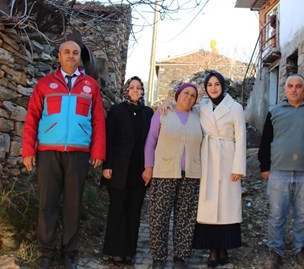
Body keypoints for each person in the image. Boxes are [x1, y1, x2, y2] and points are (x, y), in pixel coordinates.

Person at [22, 40, 106, 269]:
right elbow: (32, 118)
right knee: (47, 204)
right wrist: (28, 149)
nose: (71, 56)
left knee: (73, 205)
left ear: (80, 57)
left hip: (78, 154)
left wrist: (98, 150)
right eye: (67, 52)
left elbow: (98, 121)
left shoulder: (91, 86)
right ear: (59, 56)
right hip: (48, 152)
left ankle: (70, 252)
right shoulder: (45, 84)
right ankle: (46, 252)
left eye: (75, 53)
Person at [258, 74, 304, 269]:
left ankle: (302, 250)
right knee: (276, 215)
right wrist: (265, 167)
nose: (294, 89)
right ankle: (275, 251)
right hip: (278, 172)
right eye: (290, 86)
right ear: (285, 89)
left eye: (298, 86)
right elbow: (265, 141)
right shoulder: (275, 112)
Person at [143, 83, 203, 269]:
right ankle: (159, 258)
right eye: (186, 93)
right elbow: (150, 142)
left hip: (191, 175)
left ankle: (180, 257)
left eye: (193, 95)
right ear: (177, 95)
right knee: (159, 216)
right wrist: (148, 166)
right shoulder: (163, 113)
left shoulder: (199, 116)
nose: (189, 97)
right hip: (163, 173)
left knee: (185, 217)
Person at [192, 71, 246, 268]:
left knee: (227, 205)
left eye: (217, 84)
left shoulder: (235, 107)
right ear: (206, 88)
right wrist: (167, 105)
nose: (213, 88)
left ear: (223, 86)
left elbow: (241, 137)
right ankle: (212, 250)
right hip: (207, 158)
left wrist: (238, 166)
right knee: (208, 204)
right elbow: (183, 106)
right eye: (210, 85)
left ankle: (224, 247)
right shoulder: (202, 108)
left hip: (227, 157)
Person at [102, 76, 154, 266]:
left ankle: (129, 251)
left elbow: (153, 139)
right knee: (118, 210)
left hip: (139, 171)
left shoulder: (148, 113)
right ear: (126, 90)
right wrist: (107, 165)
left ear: (142, 92)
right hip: (118, 169)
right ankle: (116, 251)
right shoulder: (116, 111)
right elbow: (109, 138)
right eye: (132, 87)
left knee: (134, 211)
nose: (135, 91)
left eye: (139, 88)